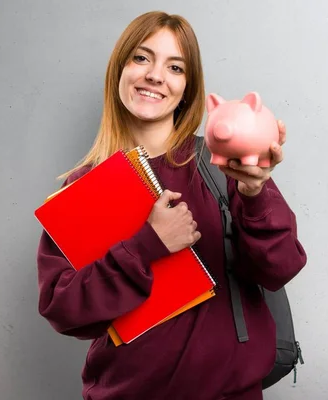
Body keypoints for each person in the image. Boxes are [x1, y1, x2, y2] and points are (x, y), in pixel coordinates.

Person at [36, 10, 307, 400]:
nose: (155, 75)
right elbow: (63, 309)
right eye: (141, 58)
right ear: (120, 71)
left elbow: (280, 267)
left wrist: (255, 194)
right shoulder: (82, 188)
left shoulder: (223, 168)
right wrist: (148, 245)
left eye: (175, 67)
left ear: (187, 87)